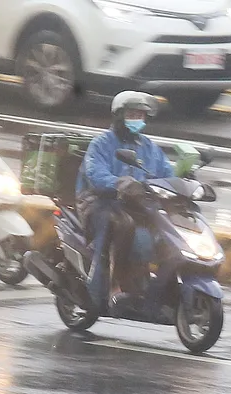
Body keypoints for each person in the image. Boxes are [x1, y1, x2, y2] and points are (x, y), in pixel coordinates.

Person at [75, 91, 174, 311]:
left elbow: (166, 172)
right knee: (123, 225)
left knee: (165, 230)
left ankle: (152, 288)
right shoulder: (101, 143)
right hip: (98, 202)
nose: (136, 119)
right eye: (132, 114)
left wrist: (185, 179)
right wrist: (121, 184)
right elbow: (96, 174)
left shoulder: (148, 147)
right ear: (119, 115)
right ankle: (109, 286)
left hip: (137, 205)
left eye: (140, 115)